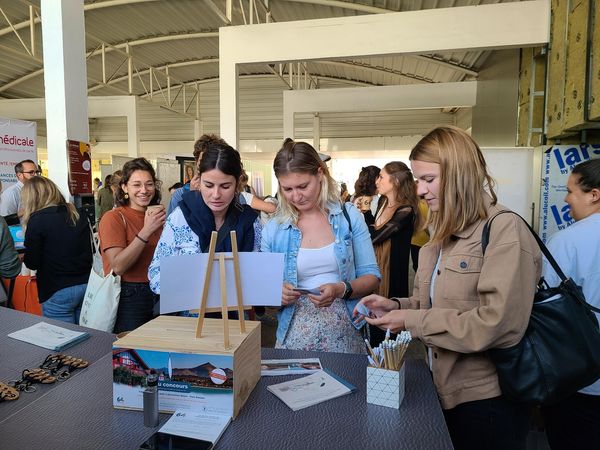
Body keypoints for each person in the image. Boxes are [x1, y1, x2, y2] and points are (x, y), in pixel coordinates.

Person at [354, 126, 541, 450]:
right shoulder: (441, 235)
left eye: (428, 179)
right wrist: (396, 307)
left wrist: (411, 322)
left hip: (488, 401)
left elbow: (498, 325)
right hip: (441, 389)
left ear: (459, 174)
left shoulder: (503, 229)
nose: (421, 190)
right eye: (417, 180)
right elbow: (432, 303)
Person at [261, 140, 380, 354]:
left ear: (320, 174)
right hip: (293, 332)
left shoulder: (348, 217)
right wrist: (275, 295)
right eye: (287, 189)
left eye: (303, 186)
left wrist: (340, 289)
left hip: (345, 329)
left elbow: (371, 276)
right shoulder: (274, 228)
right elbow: (264, 297)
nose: (296, 196)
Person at [540, 158, 600, 450]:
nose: (565, 199)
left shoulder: (566, 241)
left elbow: (546, 307)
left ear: (594, 194)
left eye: (571, 191)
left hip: (579, 374)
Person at [149, 142, 262, 296]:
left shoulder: (249, 221)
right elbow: (156, 274)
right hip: (187, 316)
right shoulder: (180, 217)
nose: (216, 195)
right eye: (208, 185)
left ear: (237, 184)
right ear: (198, 181)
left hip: (234, 318)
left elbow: (259, 276)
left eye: (225, 186)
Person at [99, 158, 166, 333]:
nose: (144, 190)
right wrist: (146, 230)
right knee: (132, 355)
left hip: (161, 293)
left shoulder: (157, 216)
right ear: (124, 187)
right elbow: (118, 265)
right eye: (137, 185)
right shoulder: (113, 218)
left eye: (149, 184)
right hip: (130, 296)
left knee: (159, 351)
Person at [21, 177, 92, 323]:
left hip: (57, 289)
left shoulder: (37, 220)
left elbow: (32, 263)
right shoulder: (76, 214)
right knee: (85, 337)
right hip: (86, 285)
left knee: (62, 339)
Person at [366, 161, 421, 345]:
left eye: (381, 177)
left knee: (387, 332)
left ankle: (387, 369)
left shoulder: (405, 210)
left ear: (395, 181)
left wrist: (364, 226)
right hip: (375, 267)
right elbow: (373, 229)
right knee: (372, 319)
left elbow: (376, 236)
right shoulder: (382, 202)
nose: (377, 181)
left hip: (392, 273)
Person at [168, 134, 227, 215]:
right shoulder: (179, 195)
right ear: (196, 162)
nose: (208, 165)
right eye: (204, 160)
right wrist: (193, 198)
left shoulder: (232, 194)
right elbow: (173, 225)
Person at [410, 198, 430, 271]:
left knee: (419, 268)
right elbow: (422, 224)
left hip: (419, 242)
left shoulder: (417, 203)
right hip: (418, 242)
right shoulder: (418, 204)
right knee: (420, 268)